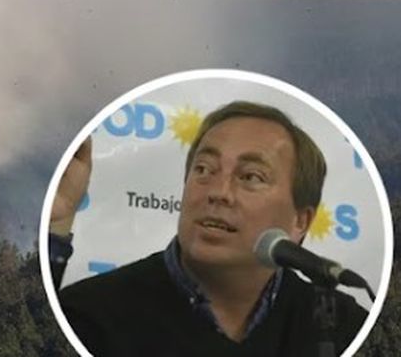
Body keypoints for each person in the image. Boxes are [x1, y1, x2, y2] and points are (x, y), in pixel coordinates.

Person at [48, 100, 369, 356]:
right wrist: (55, 224)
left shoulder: (342, 327)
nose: (218, 192)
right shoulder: (89, 316)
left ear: (300, 221)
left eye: (251, 177)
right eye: (204, 169)